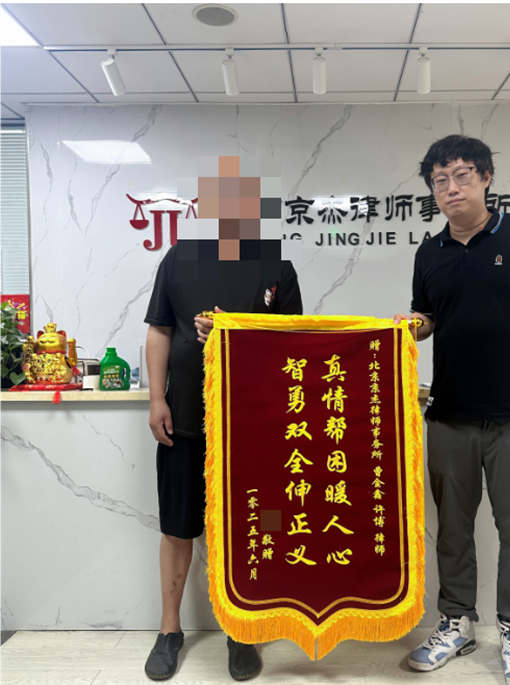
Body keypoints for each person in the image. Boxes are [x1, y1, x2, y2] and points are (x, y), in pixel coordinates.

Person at [395, 135, 510, 685]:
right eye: (439, 181)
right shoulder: (429, 253)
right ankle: (456, 623)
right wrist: (407, 328)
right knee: (452, 529)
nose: (451, 188)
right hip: (449, 413)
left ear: (486, 178)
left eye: (462, 176)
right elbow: (426, 320)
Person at [143, 157, 303, 682]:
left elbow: (292, 347)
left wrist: (234, 332)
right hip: (185, 419)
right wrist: (156, 399)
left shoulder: (276, 267)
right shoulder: (179, 258)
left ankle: (243, 628)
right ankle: (170, 630)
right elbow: (159, 331)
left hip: (253, 428)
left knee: (253, 526)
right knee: (177, 528)